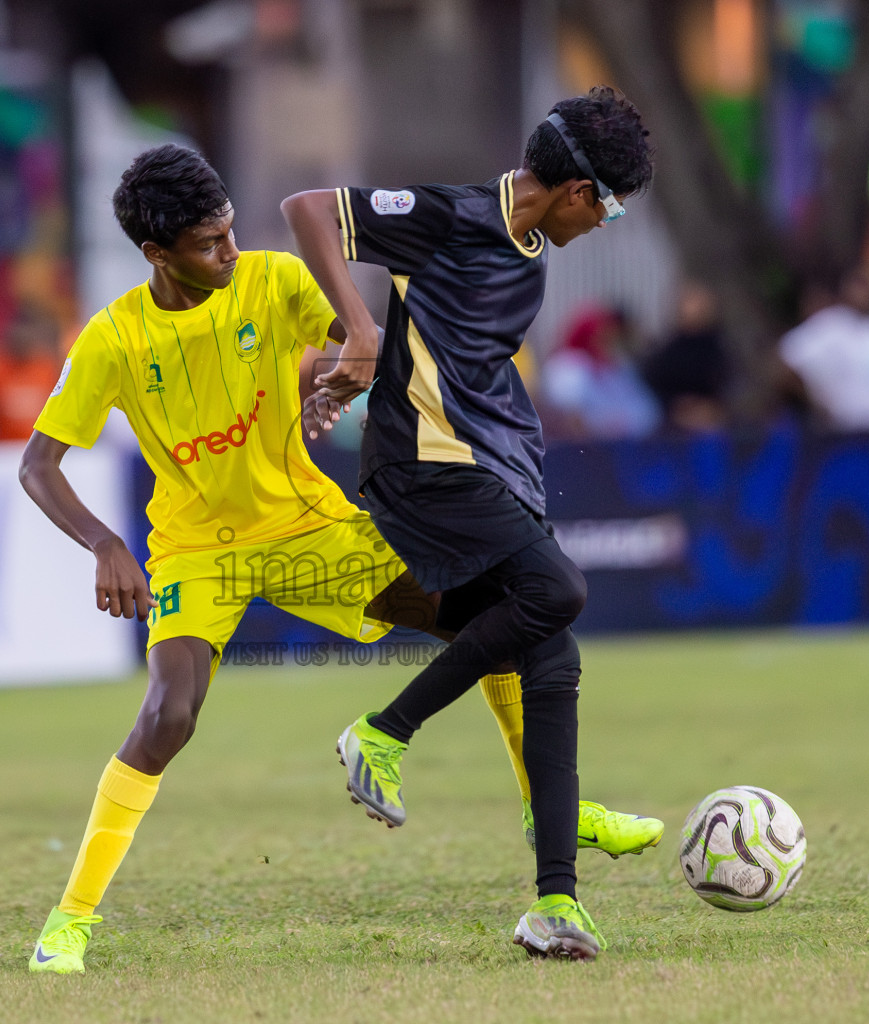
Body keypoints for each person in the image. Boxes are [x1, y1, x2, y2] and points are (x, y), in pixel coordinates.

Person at [17, 144, 660, 974]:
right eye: (210, 244)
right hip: (198, 554)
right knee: (168, 716)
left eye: (231, 231)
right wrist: (105, 544)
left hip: (314, 531)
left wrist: (336, 373)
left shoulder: (272, 280)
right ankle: (69, 922)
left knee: (506, 619)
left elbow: (350, 345)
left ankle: (552, 811)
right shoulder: (112, 338)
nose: (231, 251)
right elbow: (38, 466)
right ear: (156, 255)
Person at [282, 86, 655, 959]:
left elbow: (457, 357)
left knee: (550, 644)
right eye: (608, 204)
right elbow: (309, 212)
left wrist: (362, 360)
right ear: (574, 191)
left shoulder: (529, 249)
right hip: (423, 464)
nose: (605, 222)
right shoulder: (451, 215)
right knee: (559, 588)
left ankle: (557, 903)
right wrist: (360, 330)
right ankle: (381, 731)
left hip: (490, 467)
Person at [778, 266, 869, 433]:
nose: (867, 292)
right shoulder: (832, 324)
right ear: (846, 287)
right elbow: (787, 358)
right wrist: (815, 401)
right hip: (852, 432)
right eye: (861, 285)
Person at [541, 305, 659, 439]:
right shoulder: (567, 365)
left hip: (621, 448)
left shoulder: (618, 366)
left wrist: (619, 423)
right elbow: (571, 416)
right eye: (601, 336)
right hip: (579, 449)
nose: (606, 341)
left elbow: (647, 411)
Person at [640, 279, 732, 433]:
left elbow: (734, 386)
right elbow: (650, 390)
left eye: (701, 303)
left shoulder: (722, 350)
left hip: (718, 429)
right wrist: (677, 408)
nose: (696, 308)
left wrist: (714, 409)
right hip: (673, 432)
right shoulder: (664, 354)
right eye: (691, 302)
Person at [0, 302, 66, 442]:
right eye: (18, 329)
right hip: (1, 452)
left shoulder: (46, 367)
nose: (22, 335)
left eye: (26, 330)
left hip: (37, 448)